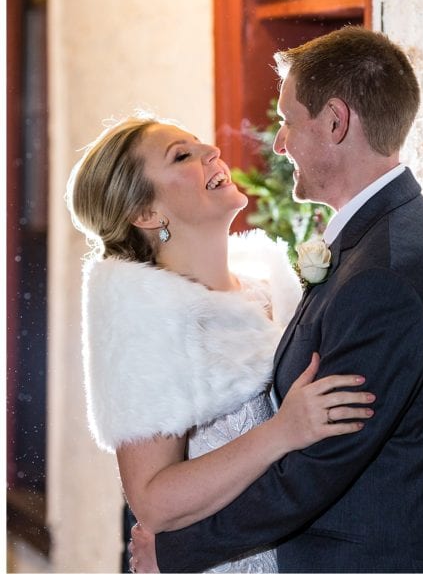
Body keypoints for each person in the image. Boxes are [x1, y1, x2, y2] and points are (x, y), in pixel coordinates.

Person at [133, 27, 423, 572]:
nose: (279, 143)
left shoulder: (385, 271)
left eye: (288, 121)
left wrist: (179, 551)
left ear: (336, 122)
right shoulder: (378, 238)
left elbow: (319, 465)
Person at [67, 116, 376, 573]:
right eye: (181, 155)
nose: (210, 150)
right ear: (148, 215)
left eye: (197, 144)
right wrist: (282, 432)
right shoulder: (148, 322)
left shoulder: (270, 282)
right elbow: (152, 500)